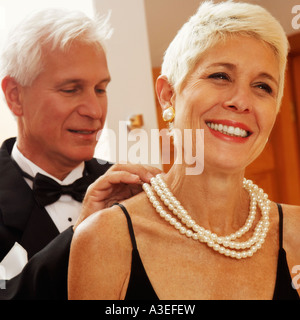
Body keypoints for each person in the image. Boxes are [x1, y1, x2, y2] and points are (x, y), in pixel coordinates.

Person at [68, 1, 300, 300]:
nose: (241, 101)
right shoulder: (106, 239)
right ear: (168, 96)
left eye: (263, 87)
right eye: (220, 76)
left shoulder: (296, 233)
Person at [0, 8, 160, 299]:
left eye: (100, 89)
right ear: (15, 95)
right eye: (71, 89)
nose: (95, 111)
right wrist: (81, 236)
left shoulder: (132, 193)